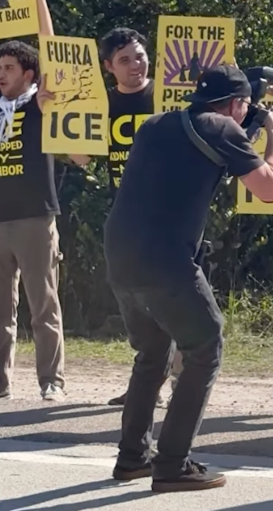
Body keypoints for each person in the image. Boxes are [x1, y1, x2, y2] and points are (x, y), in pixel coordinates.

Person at [104, 64, 273, 492]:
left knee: (152, 355)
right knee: (207, 345)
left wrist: (246, 131)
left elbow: (190, 163)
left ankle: (132, 457)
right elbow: (268, 188)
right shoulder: (225, 128)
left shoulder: (156, 124)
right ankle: (172, 463)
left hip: (120, 255)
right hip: (166, 261)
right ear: (237, 104)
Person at [0, 0, 88, 402]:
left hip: (35, 217)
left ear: (28, 74)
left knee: (44, 306)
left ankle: (51, 383)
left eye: (9, 69)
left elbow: (52, 49)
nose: (1, 74)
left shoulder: (42, 103)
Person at [99, 26, 176, 409]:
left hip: (169, 214)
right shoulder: (101, 103)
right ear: (109, 66)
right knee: (135, 305)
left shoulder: (165, 95)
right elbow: (77, 154)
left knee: (172, 301)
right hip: (125, 217)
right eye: (125, 60)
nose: (136, 65)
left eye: (140, 55)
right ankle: (148, 384)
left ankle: (181, 386)